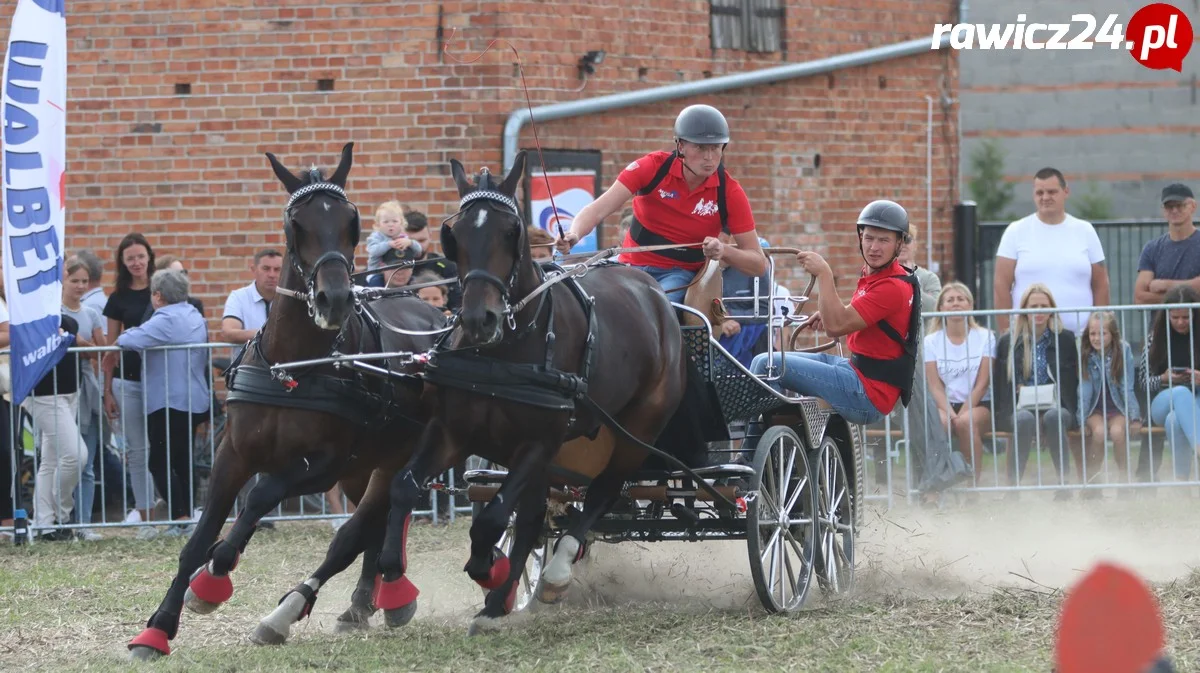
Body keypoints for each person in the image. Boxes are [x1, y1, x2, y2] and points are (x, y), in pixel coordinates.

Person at [555, 104, 767, 303]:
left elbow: (758, 263)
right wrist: (574, 233)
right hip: (628, 265)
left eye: (716, 148)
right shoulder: (651, 167)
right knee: (585, 302)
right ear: (681, 145)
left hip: (679, 275)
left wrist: (724, 251)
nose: (710, 158)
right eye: (701, 148)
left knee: (658, 308)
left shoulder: (730, 192)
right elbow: (597, 210)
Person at [747, 200, 920, 426]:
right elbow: (859, 315)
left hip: (867, 392)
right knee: (767, 361)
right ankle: (779, 434)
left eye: (884, 240)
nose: (874, 247)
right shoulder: (879, 276)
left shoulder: (892, 286)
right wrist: (834, 312)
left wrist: (824, 274)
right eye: (869, 238)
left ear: (899, 244)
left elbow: (835, 327)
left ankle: (753, 451)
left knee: (767, 365)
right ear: (860, 238)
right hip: (857, 372)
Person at [116, 269, 210, 539]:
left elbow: (128, 339)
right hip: (192, 398)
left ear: (157, 295)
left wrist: (126, 334)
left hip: (168, 400)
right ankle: (186, 515)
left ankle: (181, 518)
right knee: (182, 460)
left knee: (159, 461)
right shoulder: (194, 314)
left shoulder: (165, 319)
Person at [992, 168, 1109, 334]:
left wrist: (1099, 330)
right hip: (1029, 337)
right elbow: (1001, 285)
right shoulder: (1015, 231)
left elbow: (1101, 284)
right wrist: (1008, 334)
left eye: (1052, 192)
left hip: (1080, 337)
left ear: (1066, 191)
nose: (1045, 197)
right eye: (1040, 192)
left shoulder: (1085, 230)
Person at [992, 283, 1080, 498]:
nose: (1038, 311)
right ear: (1023, 309)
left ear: (1051, 309)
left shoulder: (1065, 339)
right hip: (1020, 407)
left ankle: (1064, 484)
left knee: (1054, 415)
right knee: (1023, 419)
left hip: (1057, 404)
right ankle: (1013, 488)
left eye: (1043, 306)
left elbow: (1072, 380)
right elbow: (1001, 384)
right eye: (1033, 306)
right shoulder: (1008, 341)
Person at [102, 233, 157, 525]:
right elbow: (110, 350)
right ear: (123, 263)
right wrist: (107, 390)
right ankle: (146, 514)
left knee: (164, 447)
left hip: (161, 382)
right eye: (130, 258)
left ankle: (176, 511)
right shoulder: (117, 299)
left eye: (140, 256)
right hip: (129, 382)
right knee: (137, 451)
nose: (136, 262)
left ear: (149, 257)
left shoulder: (162, 290)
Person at [922, 283, 996, 482]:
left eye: (961, 299)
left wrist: (961, 413)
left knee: (966, 423)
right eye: (950, 300)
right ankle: (937, 484)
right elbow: (934, 385)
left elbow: (983, 383)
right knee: (940, 423)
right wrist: (952, 415)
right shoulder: (931, 341)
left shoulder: (985, 337)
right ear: (941, 307)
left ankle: (972, 486)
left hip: (978, 404)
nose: (956, 303)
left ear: (970, 305)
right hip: (944, 405)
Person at [26, 312, 87, 542]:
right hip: (44, 394)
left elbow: (78, 341)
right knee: (76, 455)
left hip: (69, 391)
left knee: (50, 461)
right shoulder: (28, 317)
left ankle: (45, 524)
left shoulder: (59, 314)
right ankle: (62, 515)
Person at [63, 256, 107, 539]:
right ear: (64, 280)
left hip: (86, 386)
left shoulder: (90, 312)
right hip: (59, 386)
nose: (80, 286)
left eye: (84, 282)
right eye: (74, 280)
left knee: (87, 462)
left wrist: (77, 342)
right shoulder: (53, 310)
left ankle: (84, 522)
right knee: (64, 457)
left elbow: (100, 350)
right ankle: (62, 518)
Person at [1135, 286, 1200, 481]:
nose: (1180, 322)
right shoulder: (1154, 339)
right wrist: (1164, 378)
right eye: (1175, 317)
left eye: (1186, 317)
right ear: (1167, 316)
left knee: (1174, 421)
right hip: (1162, 401)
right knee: (1180, 392)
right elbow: (1144, 383)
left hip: (1195, 401)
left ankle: (1181, 483)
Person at [1078, 311, 1140, 492]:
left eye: (1102, 333)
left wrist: (1134, 416)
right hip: (1094, 409)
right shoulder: (1086, 354)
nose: (1096, 338)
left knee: (1117, 432)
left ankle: (1124, 478)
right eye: (1092, 333)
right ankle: (1092, 479)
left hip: (1117, 408)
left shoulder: (1124, 350)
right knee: (1098, 432)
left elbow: (1126, 387)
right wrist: (1082, 420)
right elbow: (1084, 390)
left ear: (1113, 334)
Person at [1134, 184, 1200, 304]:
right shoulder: (1152, 248)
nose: (1174, 210)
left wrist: (1166, 285)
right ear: (1163, 210)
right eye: (1169, 206)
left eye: (1180, 205)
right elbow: (1140, 298)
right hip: (1161, 322)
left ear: (1193, 207)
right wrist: (1187, 297)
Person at [220, 249, 283, 344]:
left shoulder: (290, 298)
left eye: (277, 269)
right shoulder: (239, 297)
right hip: (249, 359)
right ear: (254, 270)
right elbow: (228, 333)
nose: (272, 275)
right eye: (266, 268)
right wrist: (265, 334)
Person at [366, 201, 422, 288]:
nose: (390, 225)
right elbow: (373, 251)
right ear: (378, 224)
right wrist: (388, 244)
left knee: (414, 282)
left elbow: (418, 250)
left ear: (401, 223)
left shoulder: (403, 237)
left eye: (395, 221)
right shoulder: (376, 237)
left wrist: (410, 243)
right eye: (386, 222)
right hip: (377, 273)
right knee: (376, 287)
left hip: (400, 272)